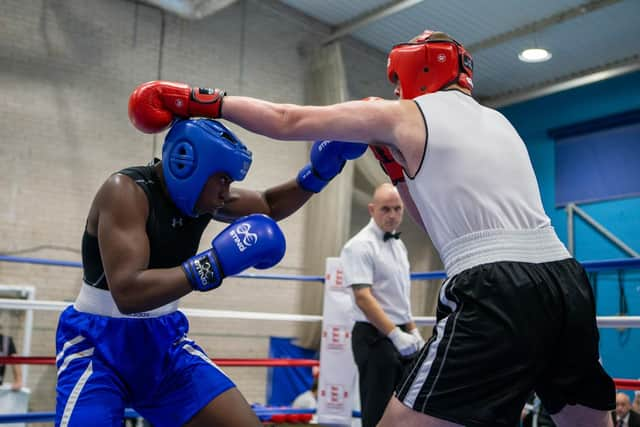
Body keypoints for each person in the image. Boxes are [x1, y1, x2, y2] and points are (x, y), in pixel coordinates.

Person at [128, 29, 616, 427]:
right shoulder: (499, 122)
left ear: (411, 71)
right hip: (565, 278)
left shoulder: (401, 113)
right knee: (585, 422)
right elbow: (442, 228)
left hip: (496, 286)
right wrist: (400, 177)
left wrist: (200, 101)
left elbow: (286, 118)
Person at [55, 116, 366, 427]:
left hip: (163, 342)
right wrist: (214, 264)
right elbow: (128, 292)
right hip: (97, 346)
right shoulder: (125, 192)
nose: (226, 192)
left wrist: (318, 173)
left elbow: (267, 205)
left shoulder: (202, 198)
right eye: (223, 179)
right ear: (186, 164)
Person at [340, 183, 423, 427]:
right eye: (385, 209)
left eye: (397, 209)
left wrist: (412, 329)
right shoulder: (359, 246)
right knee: (378, 412)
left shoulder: (399, 245)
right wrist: (395, 335)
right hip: (375, 337)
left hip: (401, 333)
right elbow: (363, 297)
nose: (392, 215)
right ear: (371, 209)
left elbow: (400, 297)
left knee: (406, 412)